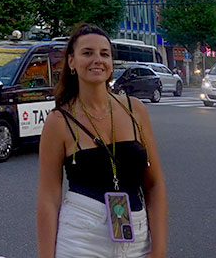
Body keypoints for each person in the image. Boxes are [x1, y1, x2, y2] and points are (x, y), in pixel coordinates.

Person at [36, 24, 167, 258]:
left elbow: (154, 185)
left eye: (104, 54)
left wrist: (158, 250)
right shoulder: (59, 120)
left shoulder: (134, 110)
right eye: (87, 53)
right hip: (81, 237)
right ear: (72, 62)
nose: (97, 60)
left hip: (136, 234)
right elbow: (48, 197)